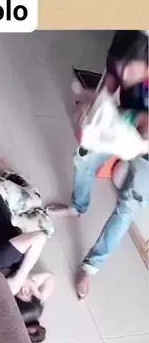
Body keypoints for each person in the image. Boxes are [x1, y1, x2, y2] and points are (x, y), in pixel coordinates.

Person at [47, 30, 149, 299]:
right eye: (119, 69)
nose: (123, 76)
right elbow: (107, 97)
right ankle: (77, 207)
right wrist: (89, 109)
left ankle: (90, 267)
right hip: (125, 130)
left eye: (129, 71)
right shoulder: (122, 60)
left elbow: (143, 125)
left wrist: (118, 122)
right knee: (83, 158)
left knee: (127, 209)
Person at [0, 157, 55, 343]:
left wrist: (21, 277)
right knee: (47, 227)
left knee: (35, 199)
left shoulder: (4, 262)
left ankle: (2, 169)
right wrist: (37, 297)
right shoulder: (5, 280)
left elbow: (39, 238)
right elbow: (51, 278)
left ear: (24, 292)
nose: (36, 285)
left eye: (35, 290)